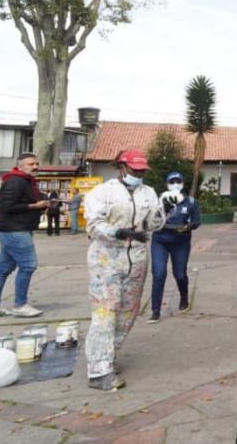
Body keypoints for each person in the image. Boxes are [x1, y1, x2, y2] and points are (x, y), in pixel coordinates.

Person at [83, 150, 170, 390]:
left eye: (142, 171)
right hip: (106, 259)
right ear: (121, 167)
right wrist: (119, 232)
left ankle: (108, 356)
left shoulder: (148, 193)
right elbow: (94, 224)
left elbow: (152, 224)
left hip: (137, 258)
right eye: (135, 170)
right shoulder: (103, 192)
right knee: (105, 311)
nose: (139, 174)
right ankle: (98, 370)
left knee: (128, 311)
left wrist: (164, 210)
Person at [0, 153, 49, 318]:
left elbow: (28, 200)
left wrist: (43, 201)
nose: (35, 167)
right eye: (31, 164)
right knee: (28, 265)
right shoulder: (15, 181)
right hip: (15, 230)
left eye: (36, 164)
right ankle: (20, 305)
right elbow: (7, 206)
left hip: (15, 229)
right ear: (20, 166)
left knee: (3, 269)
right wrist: (34, 206)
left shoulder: (27, 181)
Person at [148, 172, 201, 323]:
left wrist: (189, 226)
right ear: (167, 184)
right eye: (172, 182)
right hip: (160, 240)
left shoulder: (191, 202)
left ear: (183, 184)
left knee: (180, 274)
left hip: (181, 242)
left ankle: (184, 297)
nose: (175, 184)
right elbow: (151, 221)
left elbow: (196, 221)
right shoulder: (159, 200)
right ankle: (155, 311)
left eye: (178, 181)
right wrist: (163, 209)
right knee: (159, 274)